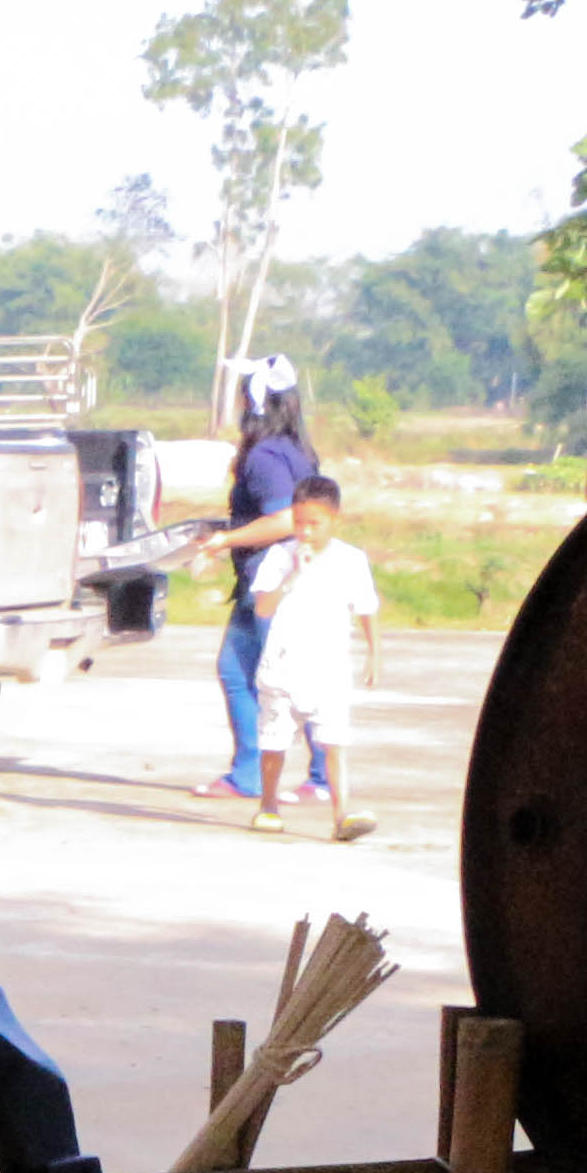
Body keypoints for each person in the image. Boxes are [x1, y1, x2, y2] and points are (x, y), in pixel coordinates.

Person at [195, 358, 325, 804]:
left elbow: (286, 517)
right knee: (239, 671)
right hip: (283, 577)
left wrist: (227, 538)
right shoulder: (297, 450)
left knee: (284, 679)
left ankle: (317, 777)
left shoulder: (265, 455)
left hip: (272, 581)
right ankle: (250, 772)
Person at [246, 476, 382, 839]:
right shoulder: (279, 557)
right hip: (283, 665)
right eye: (299, 523)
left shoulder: (351, 560)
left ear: (335, 521)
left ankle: (342, 816)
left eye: (315, 524)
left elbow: (366, 609)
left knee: (334, 742)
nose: (305, 532)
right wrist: (292, 573)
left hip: (329, 668)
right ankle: (268, 805)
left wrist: (374, 653)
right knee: (274, 741)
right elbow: (263, 607)